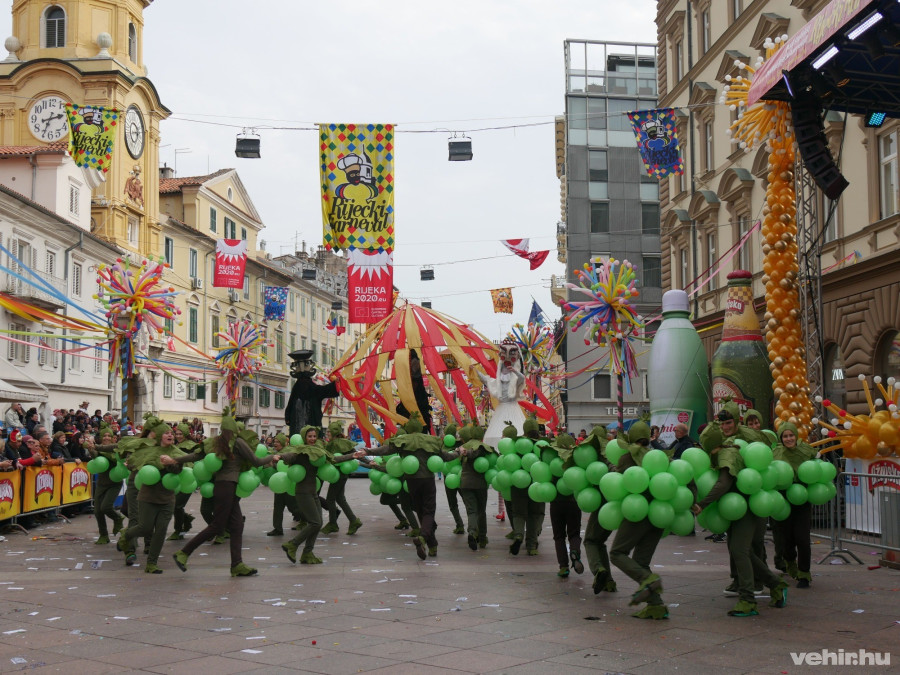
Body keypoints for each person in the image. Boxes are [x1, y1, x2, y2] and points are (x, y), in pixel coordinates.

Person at [695, 413, 788, 617]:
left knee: (739, 550)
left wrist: (702, 504)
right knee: (742, 550)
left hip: (745, 507)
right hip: (736, 507)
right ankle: (775, 585)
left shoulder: (726, 454)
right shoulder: (723, 450)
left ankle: (748, 599)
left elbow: (723, 483)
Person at [168, 416, 279, 577]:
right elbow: (256, 461)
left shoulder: (216, 442)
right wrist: (272, 457)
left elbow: (196, 456)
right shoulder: (238, 442)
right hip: (227, 486)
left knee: (237, 524)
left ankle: (237, 564)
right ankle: (184, 552)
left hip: (222, 486)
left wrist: (174, 459)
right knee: (218, 525)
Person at [362, 413, 453, 559]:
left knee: (420, 511)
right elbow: (446, 456)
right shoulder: (430, 440)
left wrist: (368, 451)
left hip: (411, 481)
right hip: (427, 479)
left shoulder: (403, 440)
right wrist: (460, 454)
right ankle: (423, 537)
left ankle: (433, 545)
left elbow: (386, 449)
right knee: (429, 511)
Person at [609, 422, 675, 619]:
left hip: (637, 513)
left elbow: (621, 483)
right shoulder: (657, 456)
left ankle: (648, 579)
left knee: (617, 552)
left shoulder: (627, 457)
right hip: (659, 514)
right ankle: (656, 606)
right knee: (641, 561)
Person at [280, 425, 356, 564]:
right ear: (304, 437)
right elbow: (289, 456)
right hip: (303, 492)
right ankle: (292, 544)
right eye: (310, 436)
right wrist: (278, 456)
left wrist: (353, 455)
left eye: (314, 436)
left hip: (313, 492)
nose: (313, 439)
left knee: (318, 523)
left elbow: (333, 459)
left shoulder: (318, 450)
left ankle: (307, 554)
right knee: (315, 522)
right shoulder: (300, 451)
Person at [116, 422, 186, 573]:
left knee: (161, 531)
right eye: (166, 433)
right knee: (145, 527)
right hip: (148, 495)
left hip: (167, 497)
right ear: (160, 436)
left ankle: (151, 563)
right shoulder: (148, 450)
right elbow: (134, 463)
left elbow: (179, 468)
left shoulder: (176, 451)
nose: (170, 435)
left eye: (171, 433)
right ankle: (125, 534)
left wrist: (171, 462)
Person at [772, 421, 816, 589]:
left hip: (802, 498)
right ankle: (790, 561)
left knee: (803, 538)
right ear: (780, 438)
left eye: (791, 435)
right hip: (783, 499)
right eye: (785, 436)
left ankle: (804, 573)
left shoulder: (805, 451)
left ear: (796, 436)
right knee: (785, 538)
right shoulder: (775, 453)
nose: (789, 439)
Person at [579, 425, 619, 593]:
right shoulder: (614, 451)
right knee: (599, 542)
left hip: (603, 505)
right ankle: (609, 582)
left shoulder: (594, 456)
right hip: (616, 505)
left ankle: (599, 570)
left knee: (590, 540)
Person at [449, 423, 495, 551]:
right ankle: (482, 538)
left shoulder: (462, 446)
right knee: (481, 511)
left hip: (464, 483)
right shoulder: (483, 446)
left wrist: (464, 453)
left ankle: (472, 532)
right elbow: (477, 454)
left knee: (471, 510)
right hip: (480, 484)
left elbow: (457, 457)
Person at [547, 433, 585, 577]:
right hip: (573, 501)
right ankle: (575, 552)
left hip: (556, 501)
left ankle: (563, 567)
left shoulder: (551, 459)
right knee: (574, 533)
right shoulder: (576, 459)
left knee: (559, 536)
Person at [82, 428, 126, 545]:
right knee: (97, 511)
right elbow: (95, 456)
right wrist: (91, 449)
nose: (106, 438)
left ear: (112, 438)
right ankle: (104, 535)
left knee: (106, 507)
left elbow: (113, 458)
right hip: (102, 482)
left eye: (108, 435)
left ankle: (118, 518)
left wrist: (98, 449)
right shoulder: (98, 448)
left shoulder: (116, 448)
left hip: (115, 482)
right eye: (104, 436)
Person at [320, 422, 363, 535]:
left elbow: (356, 454)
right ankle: (353, 521)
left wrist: (369, 462)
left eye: (329, 431)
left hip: (339, 475)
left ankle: (333, 524)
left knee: (330, 499)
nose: (327, 433)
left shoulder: (340, 443)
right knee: (340, 498)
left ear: (334, 432)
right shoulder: (333, 443)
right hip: (338, 474)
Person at [167, 424, 201, 541]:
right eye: (177, 434)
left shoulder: (192, 446)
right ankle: (185, 521)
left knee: (177, 505)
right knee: (175, 506)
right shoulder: (173, 445)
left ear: (186, 434)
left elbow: (196, 461)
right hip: (176, 478)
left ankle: (178, 530)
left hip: (188, 479)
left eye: (181, 434)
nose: (178, 436)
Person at [267, 433, 301, 536]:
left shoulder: (287, 453)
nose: (275, 443)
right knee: (278, 506)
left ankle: (309, 520)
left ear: (283, 443)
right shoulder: (276, 453)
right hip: (279, 483)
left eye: (278, 442)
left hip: (288, 484)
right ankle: (277, 528)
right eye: (275, 441)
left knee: (293, 507)